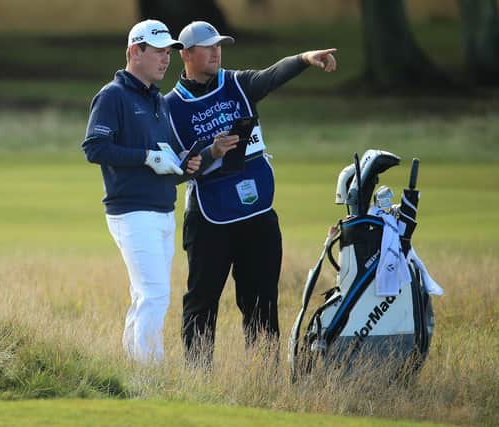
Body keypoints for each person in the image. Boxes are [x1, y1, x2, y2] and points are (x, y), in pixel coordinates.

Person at [165, 20, 337, 364]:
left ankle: (264, 376)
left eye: (219, 45)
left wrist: (304, 58)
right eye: (208, 46)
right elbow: (173, 171)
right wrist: (210, 152)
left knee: (261, 301)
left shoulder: (237, 84)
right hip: (209, 218)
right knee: (202, 302)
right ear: (186, 54)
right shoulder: (171, 107)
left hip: (257, 213)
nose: (216, 52)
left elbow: (272, 75)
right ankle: (198, 378)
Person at [82, 19, 204, 364]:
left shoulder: (157, 100)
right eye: (159, 52)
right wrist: (147, 157)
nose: (166, 59)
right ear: (135, 52)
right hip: (131, 211)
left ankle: (132, 370)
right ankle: (152, 373)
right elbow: (95, 148)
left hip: (163, 209)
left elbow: (158, 159)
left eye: (169, 52)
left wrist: (182, 165)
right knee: (155, 295)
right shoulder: (112, 96)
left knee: (144, 296)